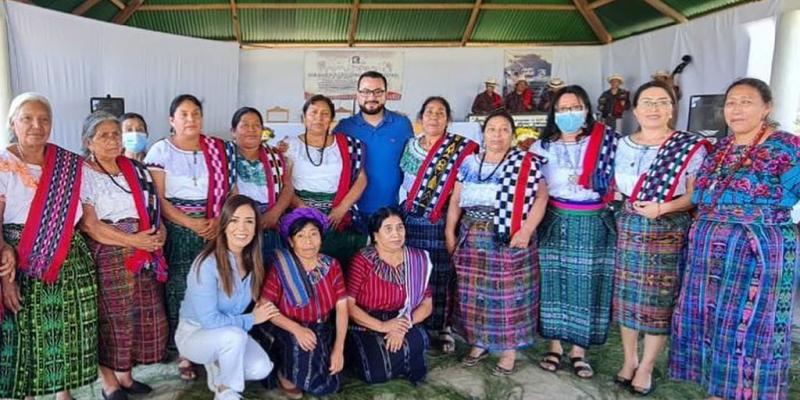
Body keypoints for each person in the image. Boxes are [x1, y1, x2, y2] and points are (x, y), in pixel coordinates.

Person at [669, 78, 800, 400]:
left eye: (746, 102)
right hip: (709, 255)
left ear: (766, 107)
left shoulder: (787, 146)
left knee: (752, 326)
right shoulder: (720, 148)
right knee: (713, 325)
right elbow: (698, 193)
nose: (736, 109)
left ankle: (750, 392)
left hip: (759, 252)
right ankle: (718, 391)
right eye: (731, 103)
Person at [611, 81, 708, 396]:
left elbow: (695, 195)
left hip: (667, 229)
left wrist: (663, 207)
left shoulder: (689, 147)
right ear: (635, 109)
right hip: (629, 227)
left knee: (659, 301)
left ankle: (648, 365)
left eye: (662, 101)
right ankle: (629, 359)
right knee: (627, 297)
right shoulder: (620, 144)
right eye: (647, 101)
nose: (654, 108)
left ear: (672, 109)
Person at [0, 93, 97, 400]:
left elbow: (84, 215)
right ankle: (28, 394)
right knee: (26, 333)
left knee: (66, 329)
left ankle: (63, 392)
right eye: (27, 118)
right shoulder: (3, 164)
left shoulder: (68, 164)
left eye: (44, 119)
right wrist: (5, 275)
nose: (36, 126)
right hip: (22, 257)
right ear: (13, 123)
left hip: (70, 257)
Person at [446, 110, 548, 375]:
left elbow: (540, 198)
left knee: (508, 295)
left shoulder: (524, 162)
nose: (497, 135)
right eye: (492, 129)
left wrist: (526, 230)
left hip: (508, 235)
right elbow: (456, 200)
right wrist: (450, 231)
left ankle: (508, 350)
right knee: (474, 294)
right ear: (483, 133)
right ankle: (479, 343)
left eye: (504, 130)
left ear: (513, 135)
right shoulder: (468, 162)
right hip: (472, 235)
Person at [144, 94, 237, 379]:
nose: (190, 119)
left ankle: (214, 345)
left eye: (195, 113)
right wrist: (191, 224)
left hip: (214, 226)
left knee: (216, 286)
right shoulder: (161, 150)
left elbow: (231, 191)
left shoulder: (219, 150)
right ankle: (185, 351)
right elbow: (158, 198)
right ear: (172, 120)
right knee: (181, 289)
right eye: (183, 114)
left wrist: (216, 222)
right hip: (178, 228)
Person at [79, 112, 171, 400]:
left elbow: (154, 210)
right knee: (112, 319)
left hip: (143, 249)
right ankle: (110, 383)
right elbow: (90, 225)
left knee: (142, 316)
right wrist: (133, 240)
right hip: (109, 250)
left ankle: (126, 377)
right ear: (88, 142)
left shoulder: (135, 169)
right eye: (104, 135)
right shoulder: (84, 173)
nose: (113, 140)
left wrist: (159, 234)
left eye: (115, 134)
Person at [532, 85, 618, 379]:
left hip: (592, 221)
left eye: (575, 107)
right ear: (554, 113)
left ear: (586, 109)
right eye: (563, 108)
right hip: (554, 219)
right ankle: (554, 346)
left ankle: (579, 351)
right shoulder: (541, 147)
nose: (569, 114)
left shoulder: (607, 143)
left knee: (586, 286)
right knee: (551, 283)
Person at [175, 195, 277, 400]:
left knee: (261, 368)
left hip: (230, 334)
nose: (242, 228)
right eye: (234, 220)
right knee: (234, 337)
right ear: (223, 224)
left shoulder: (253, 262)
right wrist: (251, 319)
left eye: (249, 221)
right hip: (196, 333)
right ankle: (226, 391)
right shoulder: (206, 264)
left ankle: (218, 366)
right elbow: (210, 321)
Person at [400, 96, 478, 353]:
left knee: (442, 273)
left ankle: (444, 327)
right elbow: (405, 181)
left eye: (440, 112)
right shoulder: (410, 146)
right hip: (411, 218)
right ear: (420, 118)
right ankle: (417, 323)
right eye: (429, 112)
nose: (434, 116)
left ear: (448, 119)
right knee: (416, 272)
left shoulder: (461, 149)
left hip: (443, 218)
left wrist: (450, 227)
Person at [260, 208, 349, 399]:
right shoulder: (281, 266)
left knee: (329, 383)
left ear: (321, 237)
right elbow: (264, 305)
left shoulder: (332, 265)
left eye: (313, 234)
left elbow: (342, 308)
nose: (308, 242)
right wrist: (296, 329)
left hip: (321, 327)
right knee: (302, 354)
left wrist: (338, 348)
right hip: (287, 326)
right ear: (291, 242)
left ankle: (291, 369)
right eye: (301, 236)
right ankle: (283, 374)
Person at [345, 207, 433, 384]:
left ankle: (399, 361)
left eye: (400, 227)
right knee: (376, 373)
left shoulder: (416, 259)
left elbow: (427, 304)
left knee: (420, 339)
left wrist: (401, 326)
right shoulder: (363, 260)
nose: (396, 234)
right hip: (367, 322)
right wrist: (382, 325)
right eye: (388, 229)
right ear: (375, 235)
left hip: (403, 317)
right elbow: (348, 305)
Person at [284, 94, 367, 265]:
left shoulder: (348, 145)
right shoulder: (290, 146)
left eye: (325, 114)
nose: (318, 118)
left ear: (331, 119)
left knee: (337, 264)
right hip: (300, 212)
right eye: (313, 113)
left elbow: (361, 179)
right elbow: (283, 183)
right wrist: (305, 210)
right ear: (303, 117)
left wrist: (341, 209)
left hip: (337, 215)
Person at [335, 71, 414, 225]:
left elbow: (415, 158)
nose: (371, 97)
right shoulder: (344, 127)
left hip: (391, 212)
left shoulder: (402, 124)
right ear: (357, 94)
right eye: (365, 91)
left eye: (378, 92)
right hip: (351, 212)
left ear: (386, 94)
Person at [230, 107, 293, 256]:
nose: (251, 130)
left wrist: (274, 214)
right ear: (233, 131)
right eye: (245, 125)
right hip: (238, 219)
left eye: (256, 125)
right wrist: (247, 218)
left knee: (271, 267)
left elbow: (288, 187)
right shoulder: (225, 156)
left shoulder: (276, 156)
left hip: (272, 218)